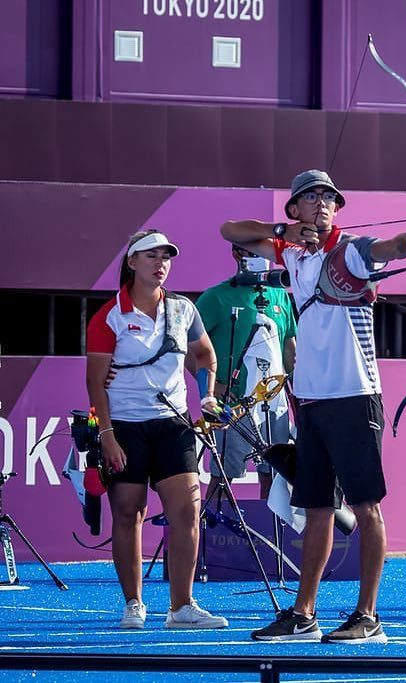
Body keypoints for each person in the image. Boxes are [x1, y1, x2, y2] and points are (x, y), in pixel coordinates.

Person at [221, 169, 406, 643]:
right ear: (293, 210)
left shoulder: (349, 252)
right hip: (312, 401)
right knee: (316, 509)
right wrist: (282, 232)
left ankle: (368, 616)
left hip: (354, 398)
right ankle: (303, 614)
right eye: (310, 198)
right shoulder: (291, 253)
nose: (322, 205)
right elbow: (229, 231)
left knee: (365, 506)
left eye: (328, 199)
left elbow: (394, 247)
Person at [85, 229, 228, 630]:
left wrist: (208, 396)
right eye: (151, 256)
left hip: (174, 423)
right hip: (125, 427)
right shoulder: (108, 315)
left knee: (187, 511)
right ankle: (133, 604)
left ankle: (181, 607)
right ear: (131, 263)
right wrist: (108, 435)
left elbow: (204, 355)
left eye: (166, 257)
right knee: (128, 512)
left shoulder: (184, 309)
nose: (161, 264)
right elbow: (95, 381)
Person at [195, 245, 297, 499]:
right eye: (253, 252)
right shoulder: (215, 297)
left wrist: (301, 397)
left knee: (274, 478)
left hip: (275, 403)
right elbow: (189, 348)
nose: (261, 259)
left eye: (266, 252)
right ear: (237, 255)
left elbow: (289, 349)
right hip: (234, 404)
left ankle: (270, 536)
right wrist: (212, 387)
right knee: (222, 477)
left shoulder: (280, 295)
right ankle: (213, 536)